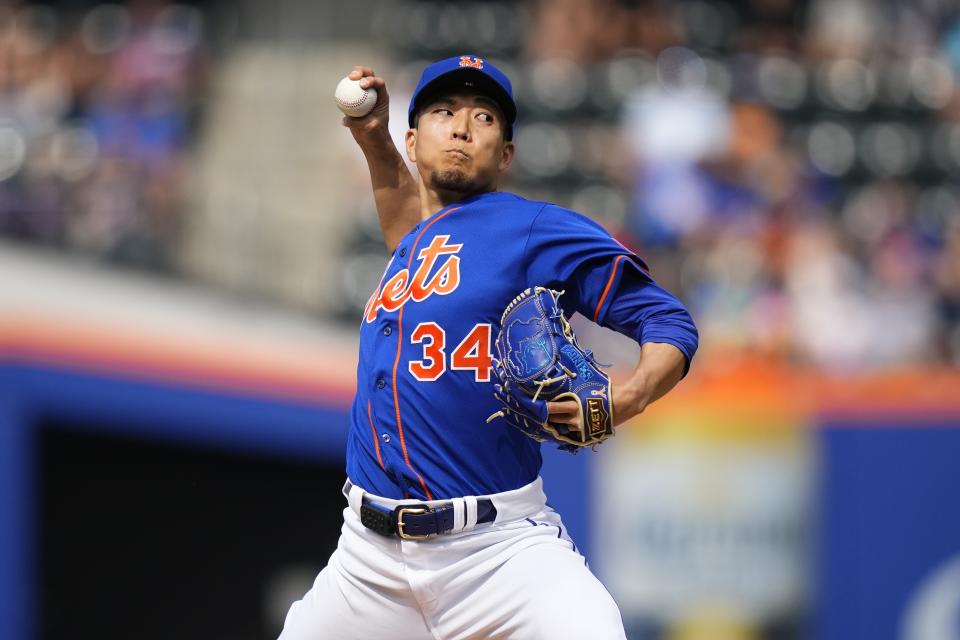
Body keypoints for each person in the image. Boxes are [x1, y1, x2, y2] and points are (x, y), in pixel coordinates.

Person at [279, 55, 698, 640]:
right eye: (443, 112)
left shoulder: (530, 229)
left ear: (504, 155)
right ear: (414, 136)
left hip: (496, 554)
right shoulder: (418, 242)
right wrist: (372, 138)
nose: (461, 127)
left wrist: (626, 398)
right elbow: (411, 222)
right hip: (365, 561)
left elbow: (668, 321)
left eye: (484, 118)